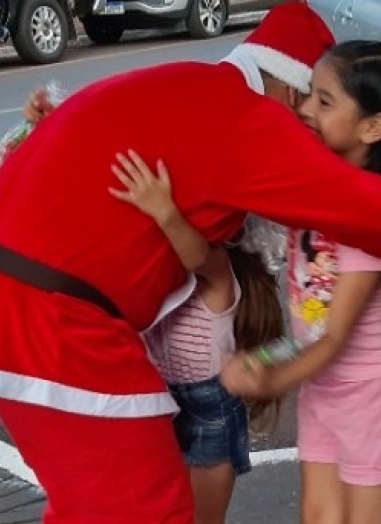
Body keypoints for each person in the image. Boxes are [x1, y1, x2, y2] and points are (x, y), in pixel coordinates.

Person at [0, 2, 381, 522]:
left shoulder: (189, 86)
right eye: (311, 100)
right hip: (54, 326)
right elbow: (355, 205)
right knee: (142, 506)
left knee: (108, 504)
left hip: (361, 394)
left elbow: (329, 299)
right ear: (292, 89)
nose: (307, 119)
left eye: (326, 103)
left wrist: (274, 370)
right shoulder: (241, 118)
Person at [220, 40, 381, 524]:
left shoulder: (370, 219)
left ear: (373, 126)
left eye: (324, 101)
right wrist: (262, 357)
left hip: (375, 398)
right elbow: (312, 329)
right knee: (318, 516)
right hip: (324, 385)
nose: (305, 108)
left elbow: (335, 336)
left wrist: (270, 379)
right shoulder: (318, 192)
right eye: (309, 94)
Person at [109, 150, 284, 524]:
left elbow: (196, 256)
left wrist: (165, 211)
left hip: (212, 412)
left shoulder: (218, 274)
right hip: (161, 403)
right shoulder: (159, 276)